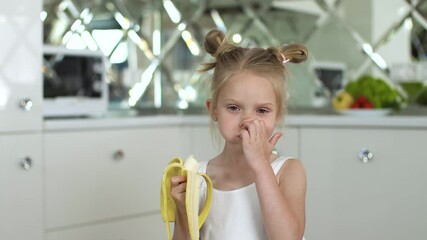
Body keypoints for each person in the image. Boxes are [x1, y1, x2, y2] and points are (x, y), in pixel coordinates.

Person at [170, 29, 308, 240]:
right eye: (234, 108)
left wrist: (261, 166)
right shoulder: (199, 179)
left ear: (277, 115)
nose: (247, 121)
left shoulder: (288, 172)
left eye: (262, 111)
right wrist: (182, 211)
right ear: (213, 109)